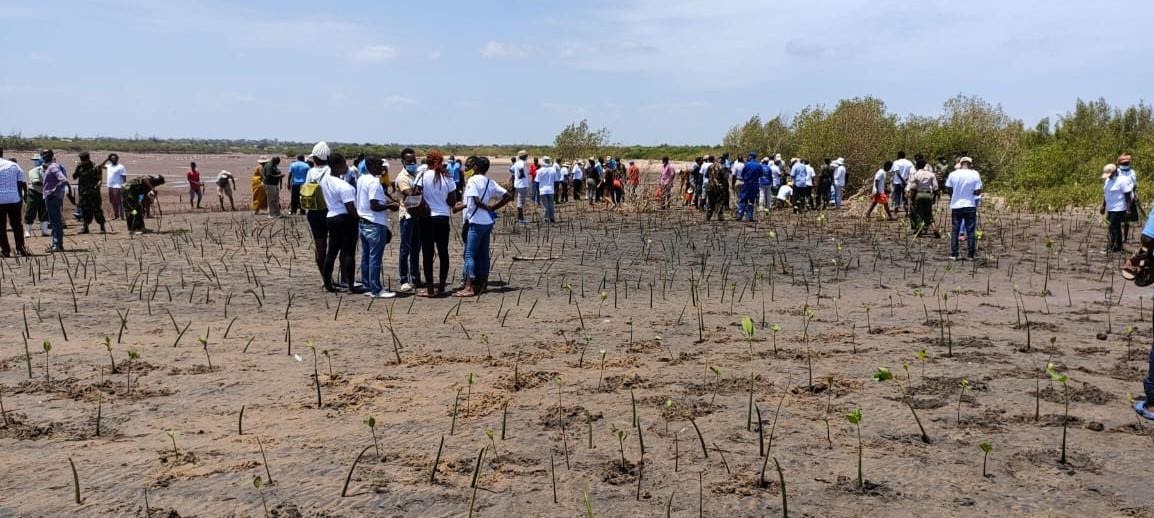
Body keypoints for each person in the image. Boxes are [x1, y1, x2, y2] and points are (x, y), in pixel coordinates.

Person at [455, 157, 513, 297]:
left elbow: (475, 201)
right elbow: (508, 195)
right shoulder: (490, 182)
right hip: (487, 223)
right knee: (483, 254)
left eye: (469, 166)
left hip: (475, 222)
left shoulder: (473, 181)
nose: (467, 169)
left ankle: (468, 287)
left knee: (469, 255)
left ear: (475, 167)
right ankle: (483, 284)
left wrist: (487, 207)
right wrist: (493, 208)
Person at [415, 150, 456, 297]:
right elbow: (452, 201)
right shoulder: (448, 177)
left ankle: (431, 289)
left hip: (427, 218)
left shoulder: (422, 175)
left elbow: (416, 194)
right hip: (443, 218)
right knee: (443, 251)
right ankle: (443, 286)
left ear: (428, 161)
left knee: (427, 253)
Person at [356, 155, 398, 298]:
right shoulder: (374, 182)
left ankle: (367, 285)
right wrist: (390, 206)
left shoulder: (361, 179)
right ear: (372, 166)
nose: (383, 168)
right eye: (380, 165)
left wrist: (388, 201)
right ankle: (376, 289)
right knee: (375, 257)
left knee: (366, 256)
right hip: (375, 223)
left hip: (363, 222)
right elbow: (374, 205)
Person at [320, 152, 360, 293]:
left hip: (331, 217)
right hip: (345, 218)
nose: (346, 166)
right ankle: (350, 285)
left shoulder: (325, 180)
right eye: (344, 163)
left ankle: (328, 284)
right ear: (338, 165)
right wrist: (358, 219)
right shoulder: (344, 186)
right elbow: (350, 209)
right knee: (349, 252)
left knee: (331, 252)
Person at [304, 142, 332, 283]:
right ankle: (338, 277)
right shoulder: (330, 171)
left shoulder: (310, 172)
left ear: (314, 158)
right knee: (334, 246)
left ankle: (325, 278)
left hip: (313, 212)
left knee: (320, 246)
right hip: (329, 211)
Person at [944, 157, 982, 260]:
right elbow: (978, 191)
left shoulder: (953, 174)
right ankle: (970, 255)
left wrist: (954, 194)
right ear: (970, 164)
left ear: (961, 164)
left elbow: (948, 187)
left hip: (956, 205)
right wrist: (971, 193)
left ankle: (954, 254)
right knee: (970, 230)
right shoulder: (975, 174)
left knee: (955, 229)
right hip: (970, 205)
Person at [395, 148, 421, 292]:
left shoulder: (417, 174)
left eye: (414, 161)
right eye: (409, 161)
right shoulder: (402, 177)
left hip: (417, 216)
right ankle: (404, 279)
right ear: (403, 162)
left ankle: (416, 277)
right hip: (407, 216)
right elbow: (410, 196)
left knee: (416, 248)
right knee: (405, 248)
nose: (412, 163)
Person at [40, 150, 73, 252]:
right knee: (54, 221)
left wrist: (53, 190)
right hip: (51, 197)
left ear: (50, 156)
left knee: (55, 222)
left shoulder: (53, 167)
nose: (44, 156)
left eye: (46, 154)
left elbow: (63, 180)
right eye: (43, 154)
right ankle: (56, 244)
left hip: (52, 197)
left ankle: (57, 245)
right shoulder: (50, 167)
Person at [0, 154, 29, 257]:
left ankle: (5, 250)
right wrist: (21, 197)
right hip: (14, 199)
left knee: (1, 227)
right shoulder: (13, 165)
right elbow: (21, 182)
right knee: (17, 225)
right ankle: (21, 249)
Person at [71, 152, 107, 234]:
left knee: (97, 209)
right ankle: (85, 227)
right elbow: (74, 177)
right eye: (82, 160)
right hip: (83, 193)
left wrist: (99, 184)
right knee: (85, 210)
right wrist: (77, 168)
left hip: (93, 193)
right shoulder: (80, 166)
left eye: (84, 160)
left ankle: (102, 227)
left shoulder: (95, 166)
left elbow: (100, 179)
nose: (83, 161)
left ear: (88, 159)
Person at [1102, 163, 1134, 253]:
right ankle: (1118, 246)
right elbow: (1106, 194)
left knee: (1112, 226)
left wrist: (1128, 209)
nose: (1109, 176)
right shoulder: (1108, 181)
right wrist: (1103, 205)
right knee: (1116, 227)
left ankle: (1112, 246)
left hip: (1119, 208)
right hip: (1110, 207)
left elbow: (1127, 195)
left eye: (1110, 174)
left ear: (1114, 172)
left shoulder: (1122, 180)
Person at [907, 158, 939, 237]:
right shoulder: (931, 174)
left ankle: (919, 230)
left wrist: (911, 199)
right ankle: (934, 228)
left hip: (919, 194)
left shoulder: (916, 174)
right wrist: (934, 197)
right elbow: (935, 187)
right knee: (928, 213)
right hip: (928, 195)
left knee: (918, 213)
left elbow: (913, 188)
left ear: (917, 166)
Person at [1118, 154, 1140, 242]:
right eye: (1124, 163)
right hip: (1119, 198)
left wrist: (1135, 194)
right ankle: (1118, 237)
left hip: (1129, 197)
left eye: (1127, 163)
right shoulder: (1117, 171)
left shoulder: (1132, 172)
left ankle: (1125, 238)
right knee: (1118, 218)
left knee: (1127, 219)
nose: (1125, 164)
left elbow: (1134, 185)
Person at [23, 156, 46, 234]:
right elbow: (36, 182)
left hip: (43, 193)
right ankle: (27, 231)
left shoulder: (46, 170)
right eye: (34, 160)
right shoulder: (33, 170)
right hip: (34, 193)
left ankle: (44, 230)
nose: (35, 162)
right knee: (30, 211)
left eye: (36, 160)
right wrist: (49, 184)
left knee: (44, 212)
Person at [737, 152, 762, 222]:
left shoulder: (747, 164)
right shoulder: (759, 165)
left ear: (750, 157)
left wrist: (746, 178)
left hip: (747, 184)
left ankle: (740, 215)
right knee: (752, 200)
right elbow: (761, 174)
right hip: (755, 184)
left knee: (743, 199)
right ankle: (750, 216)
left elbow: (742, 174)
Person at [104, 154, 127, 220]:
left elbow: (124, 176)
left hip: (118, 186)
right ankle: (116, 216)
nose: (113, 159)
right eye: (111, 158)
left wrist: (124, 185)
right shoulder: (109, 166)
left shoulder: (121, 167)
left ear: (117, 159)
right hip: (110, 186)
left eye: (114, 158)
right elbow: (100, 166)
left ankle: (122, 216)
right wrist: (106, 159)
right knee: (113, 202)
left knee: (119, 202)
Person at [510, 150, 530, 223]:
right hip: (522, 184)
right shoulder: (522, 163)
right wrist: (521, 175)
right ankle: (520, 219)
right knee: (521, 202)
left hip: (517, 184)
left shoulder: (516, 163)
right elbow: (521, 168)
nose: (527, 157)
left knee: (519, 201)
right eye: (526, 156)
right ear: (524, 156)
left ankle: (520, 218)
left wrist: (516, 175)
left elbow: (510, 169)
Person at [537, 156, 557, 222]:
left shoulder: (539, 171)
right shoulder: (553, 169)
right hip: (551, 190)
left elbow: (537, 180)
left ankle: (546, 218)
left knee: (545, 205)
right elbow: (556, 179)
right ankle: (552, 218)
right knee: (551, 205)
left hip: (542, 190)